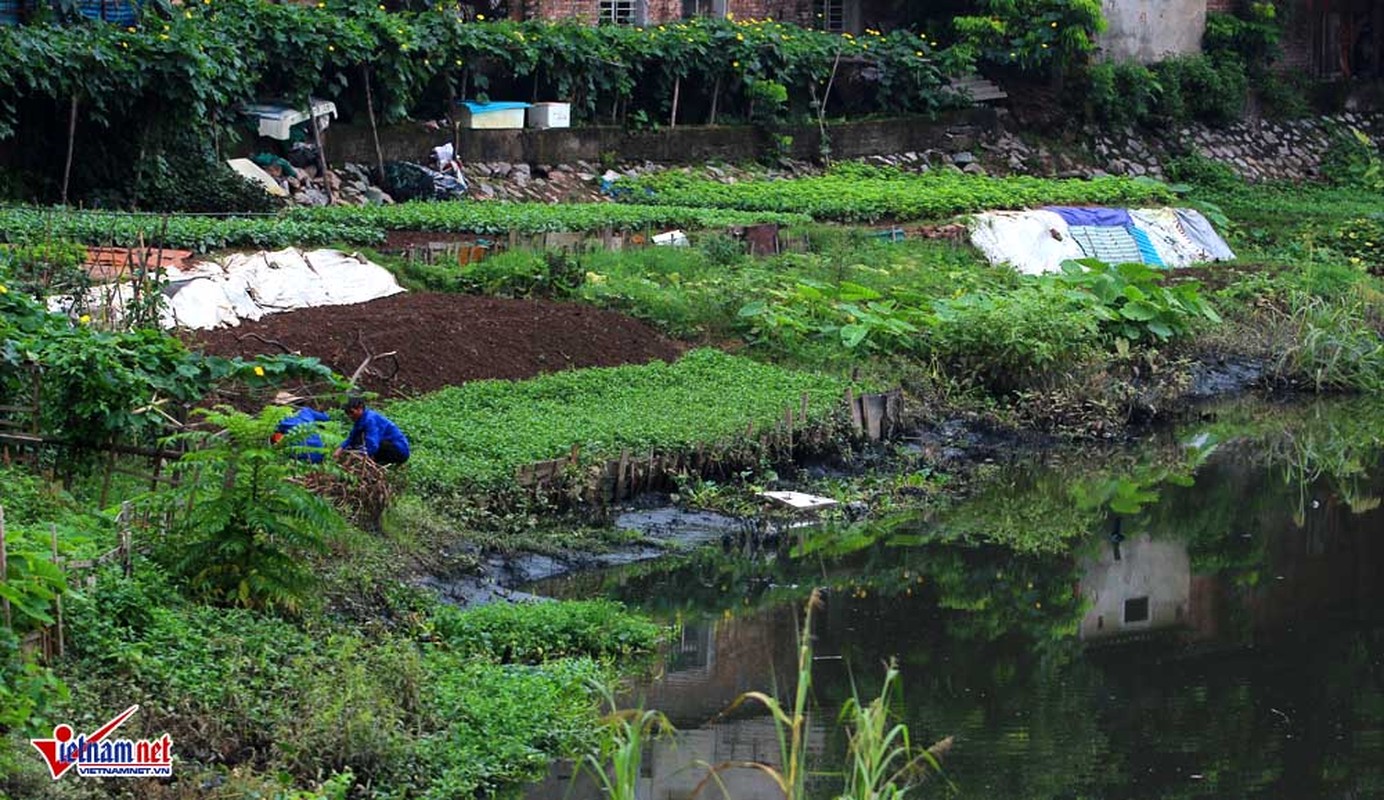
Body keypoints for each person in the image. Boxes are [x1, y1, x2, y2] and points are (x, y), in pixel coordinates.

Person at [336, 396, 411, 465]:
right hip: (385, 444)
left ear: (360, 408)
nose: (350, 416)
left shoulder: (370, 419)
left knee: (369, 446)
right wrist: (340, 449)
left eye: (352, 412)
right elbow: (352, 437)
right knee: (356, 443)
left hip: (399, 451)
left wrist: (356, 456)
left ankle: (376, 462)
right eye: (347, 413)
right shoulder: (360, 419)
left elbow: (372, 443)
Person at [270, 393, 331, 464]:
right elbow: (326, 418)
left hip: (299, 455)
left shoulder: (282, 419)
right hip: (319, 452)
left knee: (277, 436)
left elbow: (271, 432)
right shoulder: (307, 410)